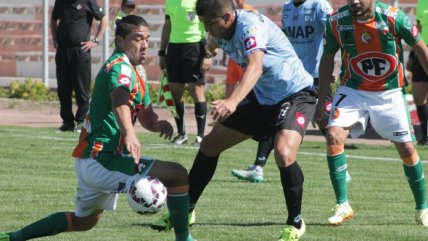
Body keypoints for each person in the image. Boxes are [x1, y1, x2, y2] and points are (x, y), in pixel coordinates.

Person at [0, 15, 197, 241]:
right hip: (102, 159)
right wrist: (130, 134)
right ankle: (184, 238)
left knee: (84, 222)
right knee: (177, 174)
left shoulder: (138, 71)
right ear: (120, 41)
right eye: (137, 39)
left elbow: (144, 114)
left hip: (95, 160)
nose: (144, 45)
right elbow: (119, 100)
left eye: (147, 39)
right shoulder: (120, 67)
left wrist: (156, 123)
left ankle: (12, 237)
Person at [152, 0, 317, 240]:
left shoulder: (250, 27)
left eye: (210, 24)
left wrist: (232, 101)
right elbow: (213, 41)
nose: (208, 29)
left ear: (228, 17)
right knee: (209, 146)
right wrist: (208, 53)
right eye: (204, 24)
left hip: (295, 95)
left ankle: (295, 222)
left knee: (283, 154)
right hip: (263, 98)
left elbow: (255, 67)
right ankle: (186, 211)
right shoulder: (218, 28)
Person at [316, 0, 428, 226]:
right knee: (333, 135)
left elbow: (420, 49)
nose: (355, 2)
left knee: (407, 148)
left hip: (389, 93)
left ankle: (423, 208)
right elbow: (327, 58)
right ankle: (342, 204)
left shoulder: (395, 18)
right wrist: (321, 100)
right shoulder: (336, 21)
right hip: (353, 89)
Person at [231, 0, 340, 183]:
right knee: (276, 117)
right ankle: (258, 166)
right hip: (292, 75)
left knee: (324, 120)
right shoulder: (288, 7)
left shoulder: (320, 6)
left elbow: (334, 36)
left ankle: (339, 165)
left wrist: (328, 69)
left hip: (315, 75)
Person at [158, 0, 212, 145]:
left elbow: (210, 25)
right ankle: (182, 133)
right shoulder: (170, 2)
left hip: (195, 47)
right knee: (175, 93)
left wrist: (209, 54)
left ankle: (200, 136)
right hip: (174, 49)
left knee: (196, 90)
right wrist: (162, 52)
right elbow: (168, 25)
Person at [50, 0, 108, 132]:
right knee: (63, 89)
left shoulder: (88, 1)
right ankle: (67, 122)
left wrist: (95, 40)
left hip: (80, 50)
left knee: (82, 89)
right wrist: (54, 38)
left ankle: (82, 121)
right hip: (63, 50)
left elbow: (103, 18)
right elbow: (53, 20)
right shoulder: (60, 2)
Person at [409, 0, 428, 146]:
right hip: (422, 51)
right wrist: (411, 55)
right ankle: (425, 137)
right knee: (418, 96)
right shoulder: (422, 3)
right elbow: (418, 29)